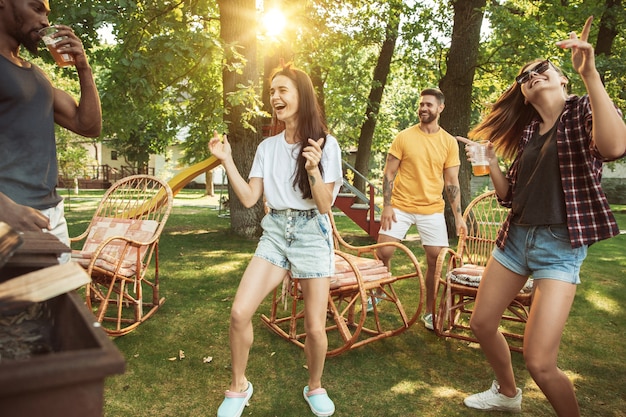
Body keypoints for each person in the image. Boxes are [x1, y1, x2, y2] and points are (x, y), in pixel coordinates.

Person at [460, 17, 626, 416]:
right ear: (523, 92)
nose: (533, 76)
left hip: (560, 246)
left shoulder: (586, 107)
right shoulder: (531, 132)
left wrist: (591, 77)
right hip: (515, 240)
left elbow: (615, 146)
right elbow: (508, 196)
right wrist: (492, 163)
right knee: (481, 325)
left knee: (540, 362)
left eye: (541, 69)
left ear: (560, 79)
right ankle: (506, 392)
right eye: (525, 76)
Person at [209, 63, 343, 417]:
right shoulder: (267, 147)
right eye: (272, 91)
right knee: (239, 312)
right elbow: (251, 198)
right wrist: (226, 161)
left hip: (312, 232)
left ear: (302, 95)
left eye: (282, 90)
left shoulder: (327, 146)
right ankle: (239, 387)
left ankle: (315, 385)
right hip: (275, 233)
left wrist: (313, 170)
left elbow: (326, 205)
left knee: (314, 327)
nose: (275, 97)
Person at [0, 0, 102, 254]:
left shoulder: (37, 75)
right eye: (36, 8)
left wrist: (83, 67)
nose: (45, 21)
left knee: (59, 293)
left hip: (51, 214)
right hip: (9, 217)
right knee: (16, 295)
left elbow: (88, 125)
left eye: (46, 13)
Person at [376, 88, 467, 328]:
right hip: (400, 206)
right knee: (383, 252)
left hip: (432, 209)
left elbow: (451, 182)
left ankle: (429, 311)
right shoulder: (404, 137)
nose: (423, 108)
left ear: (440, 108)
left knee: (436, 260)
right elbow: (389, 173)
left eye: (428, 104)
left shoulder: (448, 142)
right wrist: (386, 206)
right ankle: (378, 292)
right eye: (421, 105)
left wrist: (458, 216)